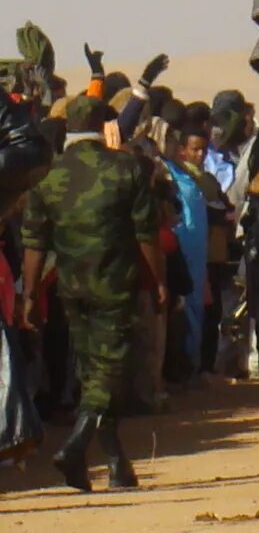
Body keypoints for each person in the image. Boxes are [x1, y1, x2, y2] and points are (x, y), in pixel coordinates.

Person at [16, 98, 163, 492]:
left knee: (92, 374)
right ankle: (75, 446)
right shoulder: (127, 169)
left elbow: (34, 243)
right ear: (102, 125)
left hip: (71, 291)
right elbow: (147, 234)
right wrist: (158, 283)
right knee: (110, 373)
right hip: (116, 287)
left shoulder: (48, 179)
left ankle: (116, 465)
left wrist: (29, 295)